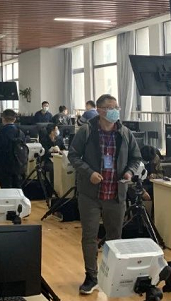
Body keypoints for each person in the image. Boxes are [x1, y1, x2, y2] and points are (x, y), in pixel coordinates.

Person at [68, 94, 141, 295]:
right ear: (100, 110)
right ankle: (91, 276)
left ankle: (112, 275)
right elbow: (73, 155)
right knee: (89, 236)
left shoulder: (125, 133)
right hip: (90, 194)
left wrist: (129, 172)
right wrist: (88, 172)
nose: (115, 111)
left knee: (115, 237)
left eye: (116, 107)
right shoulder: (87, 131)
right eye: (110, 107)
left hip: (116, 194)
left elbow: (136, 158)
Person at [0, 109, 26, 188]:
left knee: (6, 189)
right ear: (14, 119)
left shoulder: (1, 131)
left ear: (3, 119)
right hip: (18, 164)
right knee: (17, 188)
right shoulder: (20, 132)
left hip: (5, 165)